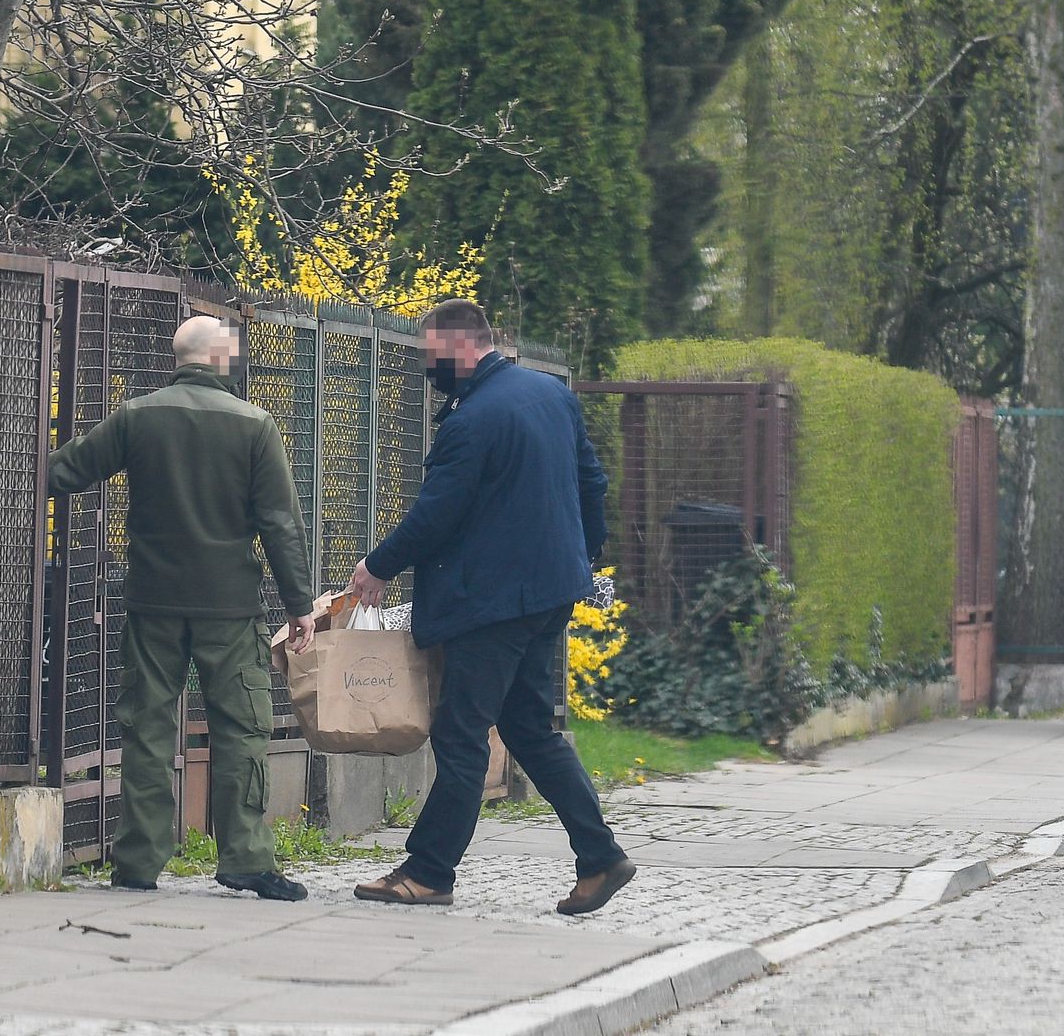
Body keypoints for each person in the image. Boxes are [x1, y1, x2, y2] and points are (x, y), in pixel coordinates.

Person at [348, 299, 636, 916]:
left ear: (461, 347)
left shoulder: (471, 420)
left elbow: (437, 514)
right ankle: (601, 857)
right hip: (548, 594)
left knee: (461, 733)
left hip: (491, 603)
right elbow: (593, 484)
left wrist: (378, 565)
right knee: (530, 727)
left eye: (432, 358)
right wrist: (578, 558)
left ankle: (428, 872)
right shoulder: (552, 396)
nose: (429, 371)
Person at [48, 316, 316, 902]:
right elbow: (279, 523)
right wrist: (299, 604)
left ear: (179, 358)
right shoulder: (255, 425)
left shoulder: (138, 416)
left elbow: (64, 470)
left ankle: (138, 860)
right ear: (222, 358)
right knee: (241, 726)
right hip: (229, 606)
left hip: (152, 600)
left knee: (146, 726)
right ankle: (245, 856)